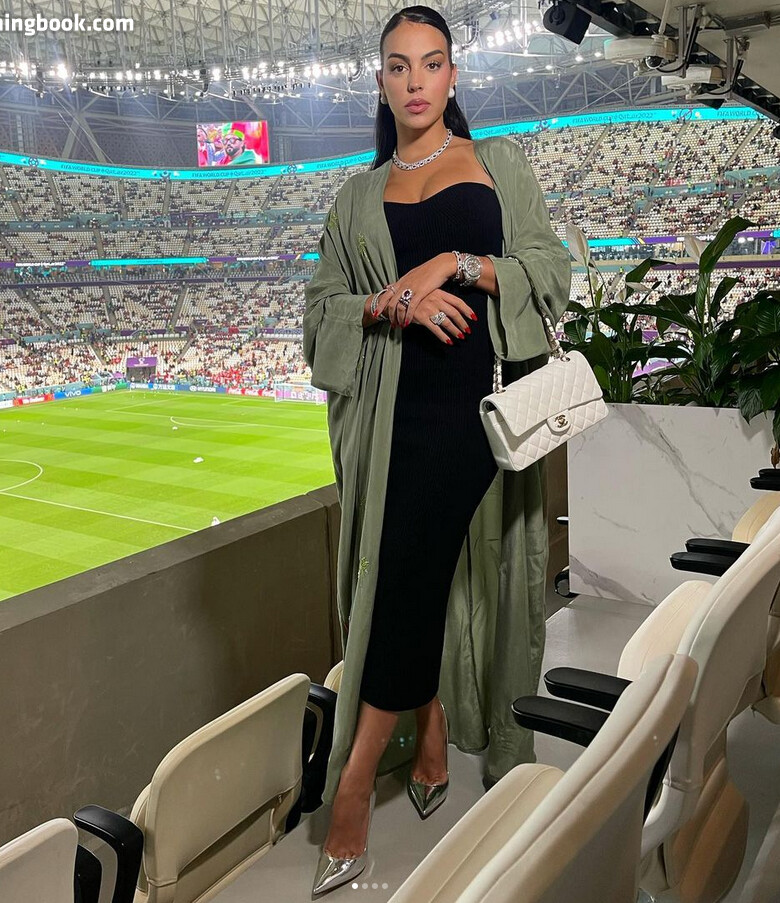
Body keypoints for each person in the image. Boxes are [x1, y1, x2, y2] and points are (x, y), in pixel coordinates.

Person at [303, 5, 571, 896]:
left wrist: (451, 264)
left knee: (409, 574)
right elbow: (319, 315)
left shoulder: (497, 165)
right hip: (389, 421)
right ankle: (429, 733)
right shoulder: (355, 197)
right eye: (398, 65)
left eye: (431, 63)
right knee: (409, 577)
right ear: (381, 82)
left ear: (454, 76)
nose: (415, 80)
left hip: (475, 414)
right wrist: (390, 302)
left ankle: (351, 786)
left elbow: (548, 271)